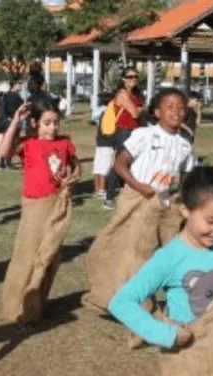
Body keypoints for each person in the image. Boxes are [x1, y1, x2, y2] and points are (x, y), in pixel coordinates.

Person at [108, 165, 213, 346]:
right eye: (211, 221)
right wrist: (165, 334)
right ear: (185, 210)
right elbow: (121, 302)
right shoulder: (168, 258)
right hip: (188, 355)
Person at [84, 88, 196, 314]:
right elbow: (120, 164)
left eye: (181, 107)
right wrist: (139, 187)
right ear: (157, 111)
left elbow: (185, 177)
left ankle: (179, 305)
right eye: (170, 106)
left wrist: (182, 200)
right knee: (134, 254)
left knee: (172, 255)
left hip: (166, 205)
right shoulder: (144, 135)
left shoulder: (185, 144)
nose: (176, 111)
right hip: (138, 200)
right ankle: (135, 305)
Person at [0, 100, 82, 324]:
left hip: (57, 205)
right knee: (27, 256)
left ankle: (36, 305)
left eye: (56, 123)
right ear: (35, 124)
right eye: (46, 123)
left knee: (49, 257)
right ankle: (16, 307)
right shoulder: (28, 144)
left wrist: (71, 176)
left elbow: (76, 166)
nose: (52, 128)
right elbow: (4, 152)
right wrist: (16, 120)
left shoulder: (65, 143)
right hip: (34, 207)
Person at [102, 67, 145, 210]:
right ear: (123, 79)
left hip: (132, 132)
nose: (133, 79)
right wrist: (139, 109)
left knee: (129, 163)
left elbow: (139, 111)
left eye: (135, 77)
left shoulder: (134, 94)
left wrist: (139, 109)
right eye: (129, 77)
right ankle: (109, 198)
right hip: (124, 132)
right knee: (120, 164)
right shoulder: (122, 94)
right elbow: (135, 114)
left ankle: (124, 192)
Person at [0, 79, 24, 170]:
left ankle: (2, 162)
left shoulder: (4, 95)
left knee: (0, 142)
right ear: (14, 85)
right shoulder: (15, 97)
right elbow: (13, 111)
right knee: (8, 142)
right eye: (19, 84)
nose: (21, 86)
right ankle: (3, 162)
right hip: (8, 123)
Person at [92, 92, 115, 199]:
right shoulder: (109, 113)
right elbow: (108, 131)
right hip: (107, 144)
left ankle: (97, 189)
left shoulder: (102, 112)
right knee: (104, 168)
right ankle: (101, 190)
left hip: (100, 143)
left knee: (98, 167)